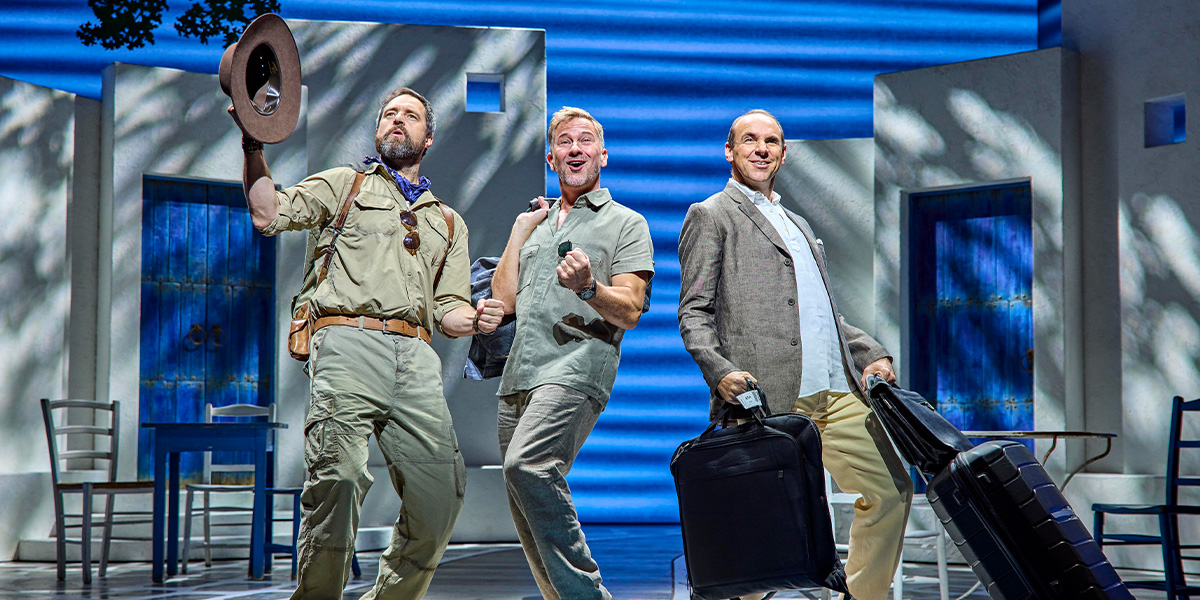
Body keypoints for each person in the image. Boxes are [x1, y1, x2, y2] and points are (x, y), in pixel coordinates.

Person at [231, 87, 505, 600]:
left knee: (441, 495)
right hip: (346, 343)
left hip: (418, 358)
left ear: (429, 136)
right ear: (378, 130)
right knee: (338, 478)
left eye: (410, 115)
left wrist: (479, 318)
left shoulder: (448, 221)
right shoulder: (345, 185)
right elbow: (268, 214)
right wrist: (252, 142)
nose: (397, 120)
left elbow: (448, 310)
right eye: (388, 113)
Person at [677, 109, 913, 600]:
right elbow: (693, 312)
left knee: (891, 491)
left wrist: (870, 352)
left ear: (784, 153)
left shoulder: (798, 223)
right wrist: (719, 372)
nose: (761, 148)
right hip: (764, 395)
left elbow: (823, 313)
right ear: (730, 150)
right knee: (759, 525)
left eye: (771, 141)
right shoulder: (711, 214)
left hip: (835, 391)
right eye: (750, 140)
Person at [489, 106, 655, 600]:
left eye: (585, 141)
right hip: (520, 373)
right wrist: (520, 230)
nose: (575, 148)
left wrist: (588, 288)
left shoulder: (627, 223)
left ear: (602, 155)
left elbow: (629, 309)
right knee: (524, 506)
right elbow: (504, 301)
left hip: (577, 367)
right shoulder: (536, 222)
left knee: (529, 466)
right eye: (565, 141)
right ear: (551, 156)